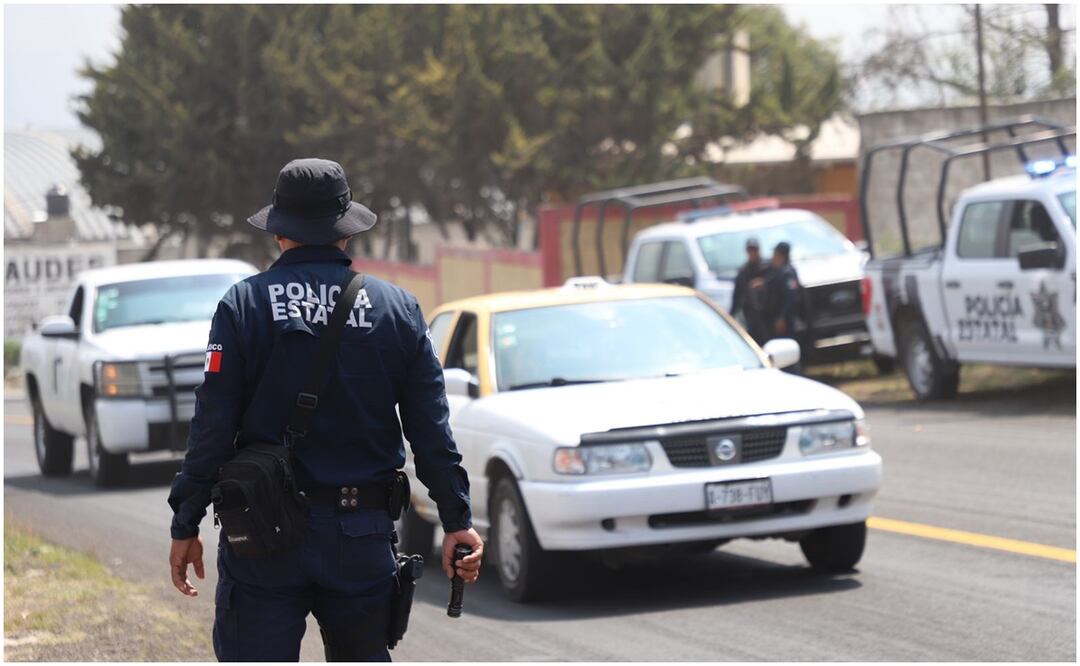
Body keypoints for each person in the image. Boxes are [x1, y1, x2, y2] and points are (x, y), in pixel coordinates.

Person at [167, 158, 483, 662]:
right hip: (360, 537)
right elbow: (431, 431)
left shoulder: (243, 306)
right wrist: (457, 519)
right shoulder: (397, 309)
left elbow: (212, 426)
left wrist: (186, 522)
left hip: (262, 536)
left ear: (279, 232)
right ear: (346, 232)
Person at [729, 237, 770, 344]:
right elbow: (737, 295)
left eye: (754, 250)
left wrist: (764, 283)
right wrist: (731, 316)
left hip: (769, 313)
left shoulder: (768, 267)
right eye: (750, 250)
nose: (752, 253)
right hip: (751, 314)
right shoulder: (744, 271)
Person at [764, 241, 804, 342]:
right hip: (776, 318)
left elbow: (791, 298)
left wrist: (782, 318)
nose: (773, 257)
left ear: (781, 255)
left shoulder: (787, 273)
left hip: (785, 321)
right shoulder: (778, 271)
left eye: (775, 254)